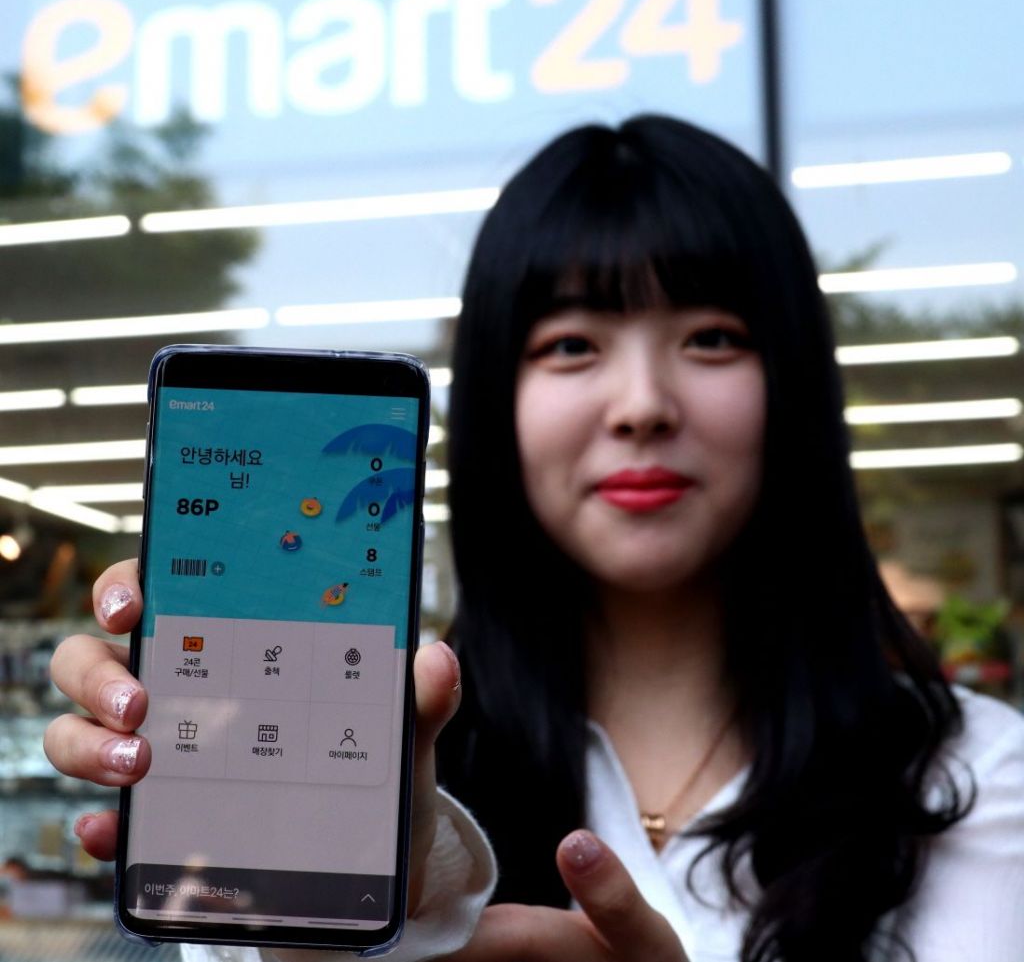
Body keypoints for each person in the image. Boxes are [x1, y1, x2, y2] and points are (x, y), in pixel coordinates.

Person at [44, 115, 1024, 962]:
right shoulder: (411, 786)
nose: (642, 403)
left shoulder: (979, 780)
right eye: (571, 346)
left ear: (794, 384)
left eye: (713, 337)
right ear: (496, 406)